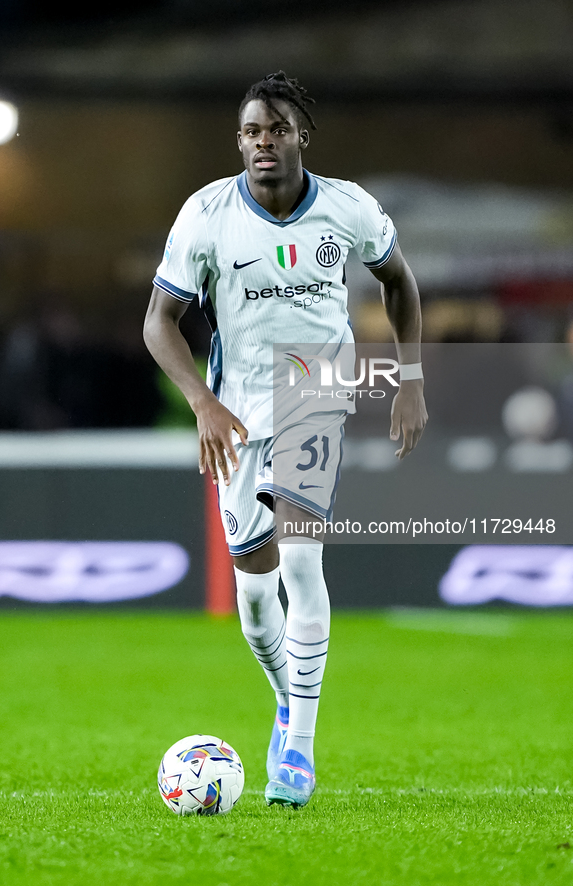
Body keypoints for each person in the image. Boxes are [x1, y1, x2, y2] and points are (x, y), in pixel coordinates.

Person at [143, 71, 428, 808]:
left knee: (303, 566)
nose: (262, 142)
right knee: (254, 597)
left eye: (275, 129)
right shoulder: (206, 214)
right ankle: (283, 701)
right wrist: (201, 402)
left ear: (302, 135)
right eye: (249, 131)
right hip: (235, 414)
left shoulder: (347, 208)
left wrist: (412, 379)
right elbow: (158, 322)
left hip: (313, 400)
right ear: (238, 140)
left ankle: (297, 751)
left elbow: (398, 281)